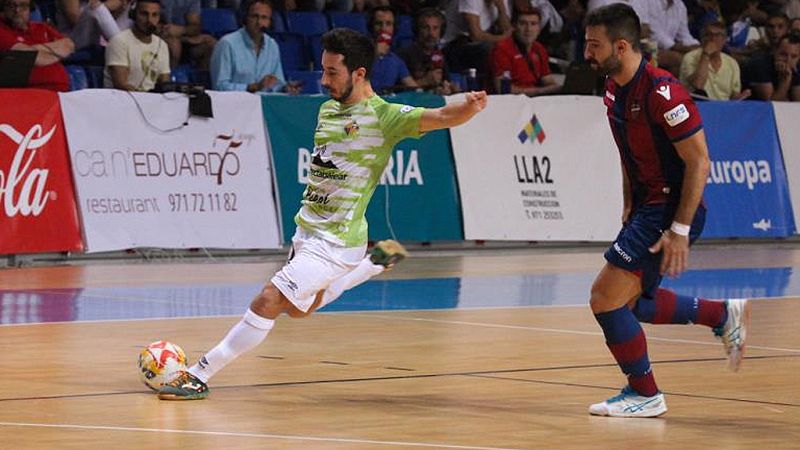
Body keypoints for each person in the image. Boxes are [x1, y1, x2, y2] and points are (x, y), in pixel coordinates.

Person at [156, 27, 488, 400]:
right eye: (324, 70)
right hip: (308, 232)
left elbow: (442, 115)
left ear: (359, 74)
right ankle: (372, 264)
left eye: (333, 72)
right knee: (299, 310)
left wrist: (469, 107)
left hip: (336, 240)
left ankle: (199, 374)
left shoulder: (385, 117)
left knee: (269, 299)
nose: (323, 79)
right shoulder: (327, 109)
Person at [582, 3, 750, 418]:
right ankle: (720, 314)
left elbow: (699, 161)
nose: (587, 54)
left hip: (668, 209)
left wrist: (679, 228)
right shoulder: (612, 88)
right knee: (634, 303)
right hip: (646, 207)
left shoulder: (663, 92)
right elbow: (626, 150)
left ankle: (645, 394)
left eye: (594, 46)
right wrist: (627, 200)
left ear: (621, 47)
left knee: (605, 298)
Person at [210, 0, 294, 93]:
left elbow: (277, 83)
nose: (259, 22)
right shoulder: (227, 44)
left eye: (264, 18)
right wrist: (252, 87)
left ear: (270, 22)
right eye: (255, 16)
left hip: (264, 104)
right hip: (234, 104)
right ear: (245, 18)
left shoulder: (272, 45)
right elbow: (219, 86)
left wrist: (285, 88)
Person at [0, 0, 74, 91]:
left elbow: (69, 46)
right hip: (32, 93)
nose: (17, 10)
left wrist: (35, 49)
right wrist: (56, 51)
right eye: (11, 5)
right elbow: (24, 55)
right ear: (3, 8)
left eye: (23, 5)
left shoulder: (41, 27)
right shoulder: (2, 30)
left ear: (30, 8)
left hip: (62, 92)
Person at [490, 6, 560, 95]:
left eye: (533, 24)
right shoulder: (502, 49)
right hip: (510, 102)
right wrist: (543, 90)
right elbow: (503, 89)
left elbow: (547, 79)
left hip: (536, 99)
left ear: (539, 29)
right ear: (514, 27)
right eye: (523, 23)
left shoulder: (539, 48)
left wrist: (560, 88)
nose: (528, 29)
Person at [443, 0, 512, 88]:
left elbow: (506, 29)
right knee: (491, 49)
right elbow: (475, 35)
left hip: (479, 41)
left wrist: (501, 8)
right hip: (453, 43)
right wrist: (503, 39)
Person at [104, 0, 170, 91]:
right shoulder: (119, 41)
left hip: (151, 101)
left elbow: (164, 84)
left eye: (154, 15)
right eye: (144, 14)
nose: (149, 20)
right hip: (123, 100)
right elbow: (121, 85)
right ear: (133, 15)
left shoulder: (162, 45)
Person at [679, 21, 750, 100]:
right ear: (702, 38)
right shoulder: (690, 57)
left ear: (724, 40)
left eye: (717, 35)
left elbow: (733, 96)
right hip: (696, 106)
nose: (712, 39)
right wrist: (705, 55)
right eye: (709, 35)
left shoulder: (732, 63)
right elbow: (698, 85)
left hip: (722, 109)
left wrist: (741, 97)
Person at [397, 7, 457, 94]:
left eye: (435, 28)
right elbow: (398, 91)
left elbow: (445, 82)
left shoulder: (441, 54)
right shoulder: (404, 55)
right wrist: (424, 81)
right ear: (417, 30)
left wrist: (451, 88)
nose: (431, 33)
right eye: (426, 28)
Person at [368, 5, 418, 93]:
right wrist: (375, 54)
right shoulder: (358, 51)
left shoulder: (396, 61)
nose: (383, 29)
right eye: (378, 24)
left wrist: (435, 89)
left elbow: (414, 89)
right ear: (371, 26)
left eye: (388, 24)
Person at [159, 0, 216, 69]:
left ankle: (201, 78)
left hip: (184, 39)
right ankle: (169, 77)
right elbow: (149, 22)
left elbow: (195, 26)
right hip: (159, 36)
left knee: (211, 43)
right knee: (174, 45)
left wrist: (182, 30)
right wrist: (165, 30)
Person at [56, 0, 131, 51]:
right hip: (73, 38)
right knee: (96, 8)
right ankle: (124, 48)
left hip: (98, 37)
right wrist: (106, 6)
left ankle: (131, 45)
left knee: (132, 4)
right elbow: (74, 19)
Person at [745, 32, 800, 101]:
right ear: (774, 51)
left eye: (794, 56)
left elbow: (798, 102)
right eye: (783, 54)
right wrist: (785, 82)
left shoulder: (797, 68)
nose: (788, 60)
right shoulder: (760, 65)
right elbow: (770, 104)